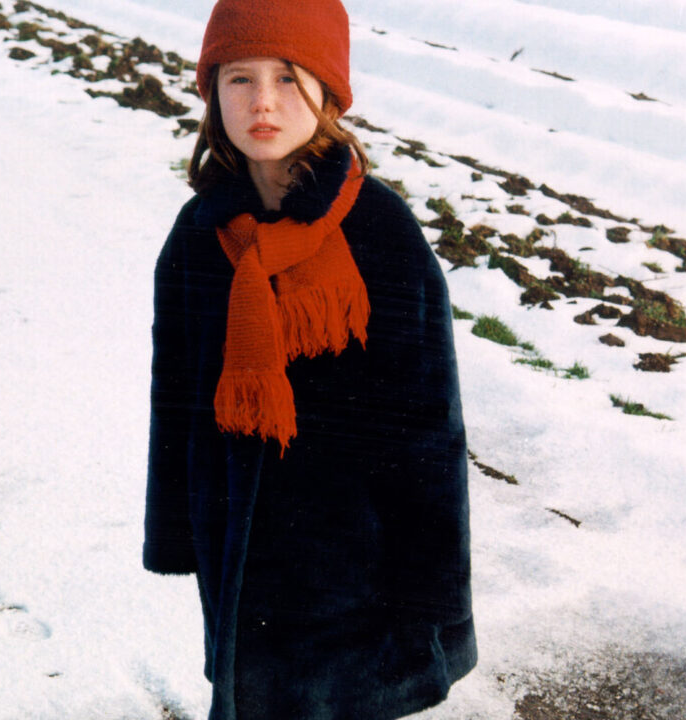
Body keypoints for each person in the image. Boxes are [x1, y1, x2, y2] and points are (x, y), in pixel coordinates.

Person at [142, 1, 475, 717]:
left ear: (328, 93)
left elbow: (429, 428)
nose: (262, 101)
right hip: (237, 560)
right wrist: (177, 531)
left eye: (288, 78)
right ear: (212, 92)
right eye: (239, 78)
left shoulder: (379, 231)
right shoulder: (199, 234)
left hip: (356, 578)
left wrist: (432, 595)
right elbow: (175, 396)